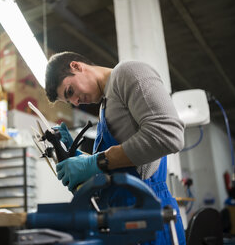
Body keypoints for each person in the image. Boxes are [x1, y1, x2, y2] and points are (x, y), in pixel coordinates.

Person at [45, 51, 186, 245]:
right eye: (70, 101)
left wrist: (94, 162)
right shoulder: (105, 104)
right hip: (122, 219)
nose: (76, 102)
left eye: (70, 92)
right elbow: (119, 162)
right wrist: (79, 157)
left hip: (149, 218)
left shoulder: (128, 72)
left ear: (76, 66)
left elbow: (169, 135)